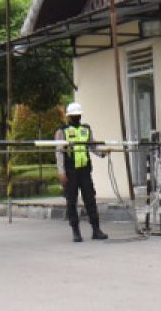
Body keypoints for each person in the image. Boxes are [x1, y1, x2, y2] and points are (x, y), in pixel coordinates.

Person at [55, 102, 108, 243]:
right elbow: (59, 153)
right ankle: (76, 232)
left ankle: (96, 230)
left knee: (90, 200)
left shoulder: (86, 129)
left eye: (78, 115)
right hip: (70, 171)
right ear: (69, 117)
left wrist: (102, 153)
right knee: (71, 201)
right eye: (74, 116)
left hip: (84, 170)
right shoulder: (62, 131)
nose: (76, 117)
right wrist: (61, 172)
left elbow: (92, 145)